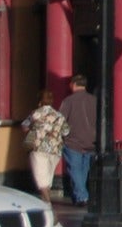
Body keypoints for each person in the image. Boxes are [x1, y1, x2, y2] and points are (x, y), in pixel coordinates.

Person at [21, 89, 69, 203]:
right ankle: (45, 201)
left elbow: (24, 126)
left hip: (38, 148)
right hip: (55, 150)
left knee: (41, 180)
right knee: (48, 178)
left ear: (39, 101)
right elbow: (66, 132)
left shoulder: (35, 114)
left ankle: (48, 203)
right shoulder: (59, 116)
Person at [58, 74, 98, 206]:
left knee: (75, 169)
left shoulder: (68, 101)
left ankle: (82, 196)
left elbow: (61, 121)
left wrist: (62, 136)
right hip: (91, 141)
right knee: (83, 170)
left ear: (73, 84)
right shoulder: (94, 100)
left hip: (73, 141)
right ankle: (78, 195)